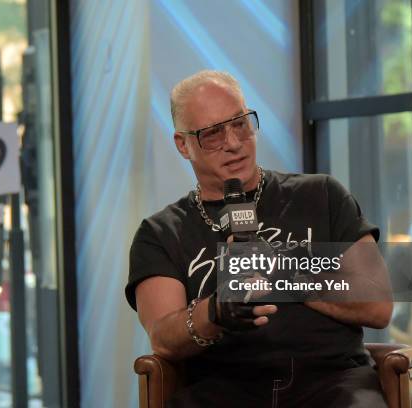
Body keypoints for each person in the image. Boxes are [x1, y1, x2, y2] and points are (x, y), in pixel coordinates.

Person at [125, 70, 393, 407]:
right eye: (212, 133)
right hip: (223, 389)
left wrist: (284, 274)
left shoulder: (321, 195)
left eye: (240, 123)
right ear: (183, 144)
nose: (234, 143)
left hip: (333, 382)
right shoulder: (162, 233)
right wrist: (217, 312)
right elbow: (163, 339)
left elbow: (378, 303)